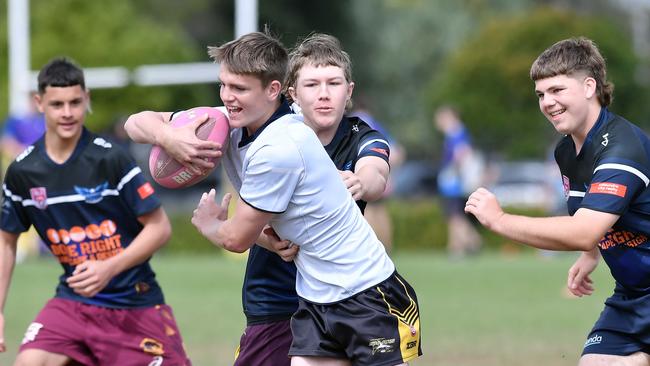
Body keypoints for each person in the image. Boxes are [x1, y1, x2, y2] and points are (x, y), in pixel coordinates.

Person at [125, 31, 408, 366]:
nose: (227, 98)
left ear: (274, 91)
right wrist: (169, 137)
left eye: (239, 89)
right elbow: (135, 123)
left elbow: (235, 238)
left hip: (365, 294)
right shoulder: (231, 121)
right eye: (224, 85)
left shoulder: (279, 148)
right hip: (315, 296)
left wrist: (209, 223)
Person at [464, 37, 650, 365]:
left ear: (589, 87)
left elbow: (584, 230)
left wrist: (500, 220)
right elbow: (592, 214)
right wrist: (589, 255)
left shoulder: (621, 149)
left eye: (557, 90)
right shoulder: (566, 151)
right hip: (634, 296)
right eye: (541, 94)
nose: (547, 102)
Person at [0, 57, 191, 365]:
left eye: (75, 102)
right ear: (39, 103)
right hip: (73, 304)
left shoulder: (110, 159)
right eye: (57, 104)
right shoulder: (24, 171)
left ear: (86, 99)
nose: (67, 113)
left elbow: (160, 228)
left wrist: (108, 268)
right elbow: (6, 241)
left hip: (134, 302)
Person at [351, 97, 406, 252]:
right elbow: (397, 151)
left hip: (364, 177)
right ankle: (387, 246)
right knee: (381, 212)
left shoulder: (357, 124)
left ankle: (372, 247)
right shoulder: (377, 124)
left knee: (367, 211)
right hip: (381, 177)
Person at [435, 105, 483, 258]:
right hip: (453, 181)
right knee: (454, 216)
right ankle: (460, 245)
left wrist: (454, 170)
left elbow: (462, 153)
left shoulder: (456, 132)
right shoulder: (456, 133)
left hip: (454, 183)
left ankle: (466, 244)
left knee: (455, 216)